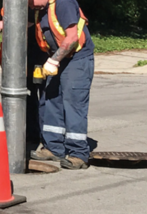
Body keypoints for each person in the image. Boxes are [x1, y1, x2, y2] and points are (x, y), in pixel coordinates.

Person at [26, 0, 95, 170]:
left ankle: (78, 154)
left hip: (77, 58)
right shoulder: (42, 9)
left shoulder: (63, 3)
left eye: (31, 1)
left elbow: (72, 38)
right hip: (59, 57)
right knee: (51, 99)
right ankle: (53, 147)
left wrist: (54, 60)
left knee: (73, 104)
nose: (30, 5)